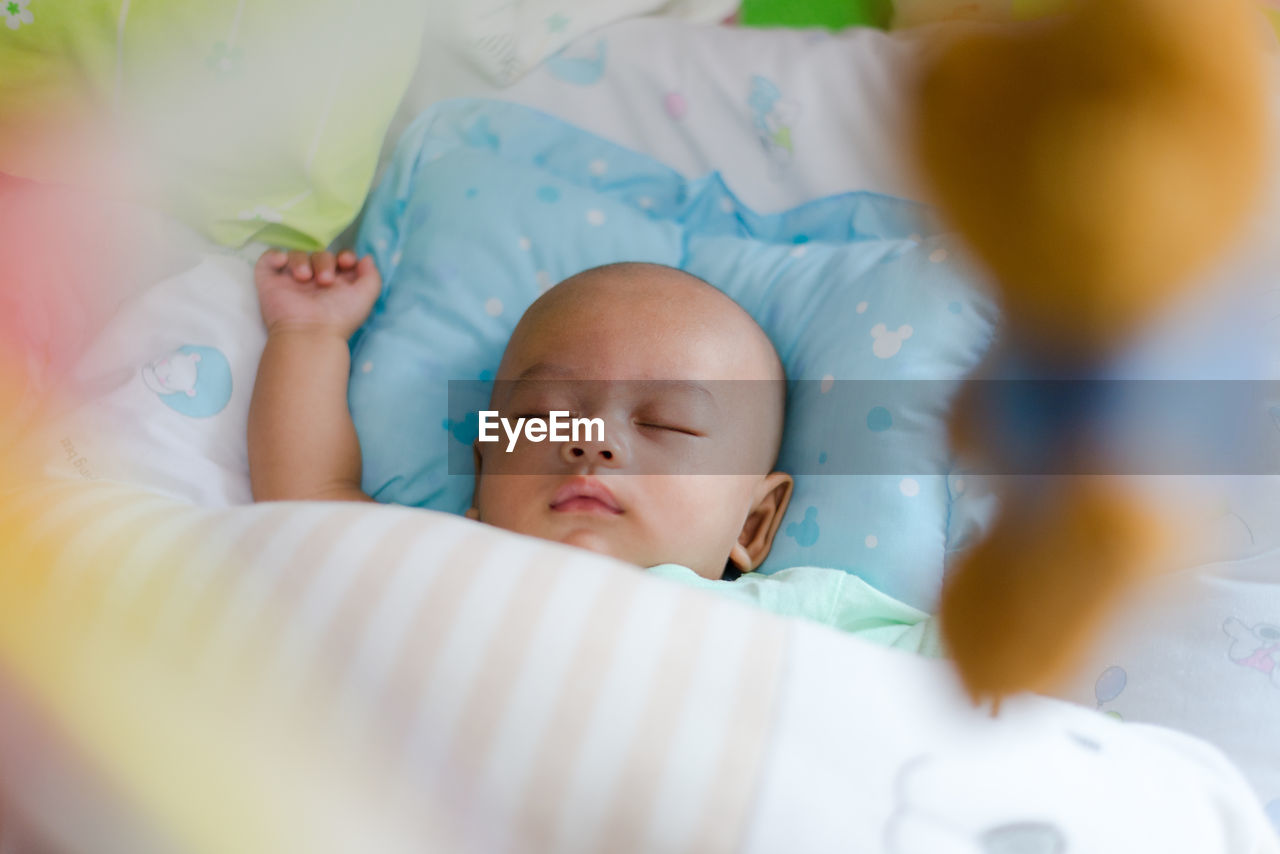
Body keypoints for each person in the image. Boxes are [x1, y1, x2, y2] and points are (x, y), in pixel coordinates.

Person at [248, 248, 939, 653]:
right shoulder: (444, 559)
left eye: (666, 424)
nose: (591, 439)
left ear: (753, 525)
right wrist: (308, 334)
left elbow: (985, 689)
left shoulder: (798, 622)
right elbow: (308, 494)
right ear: (485, 468)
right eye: (543, 417)